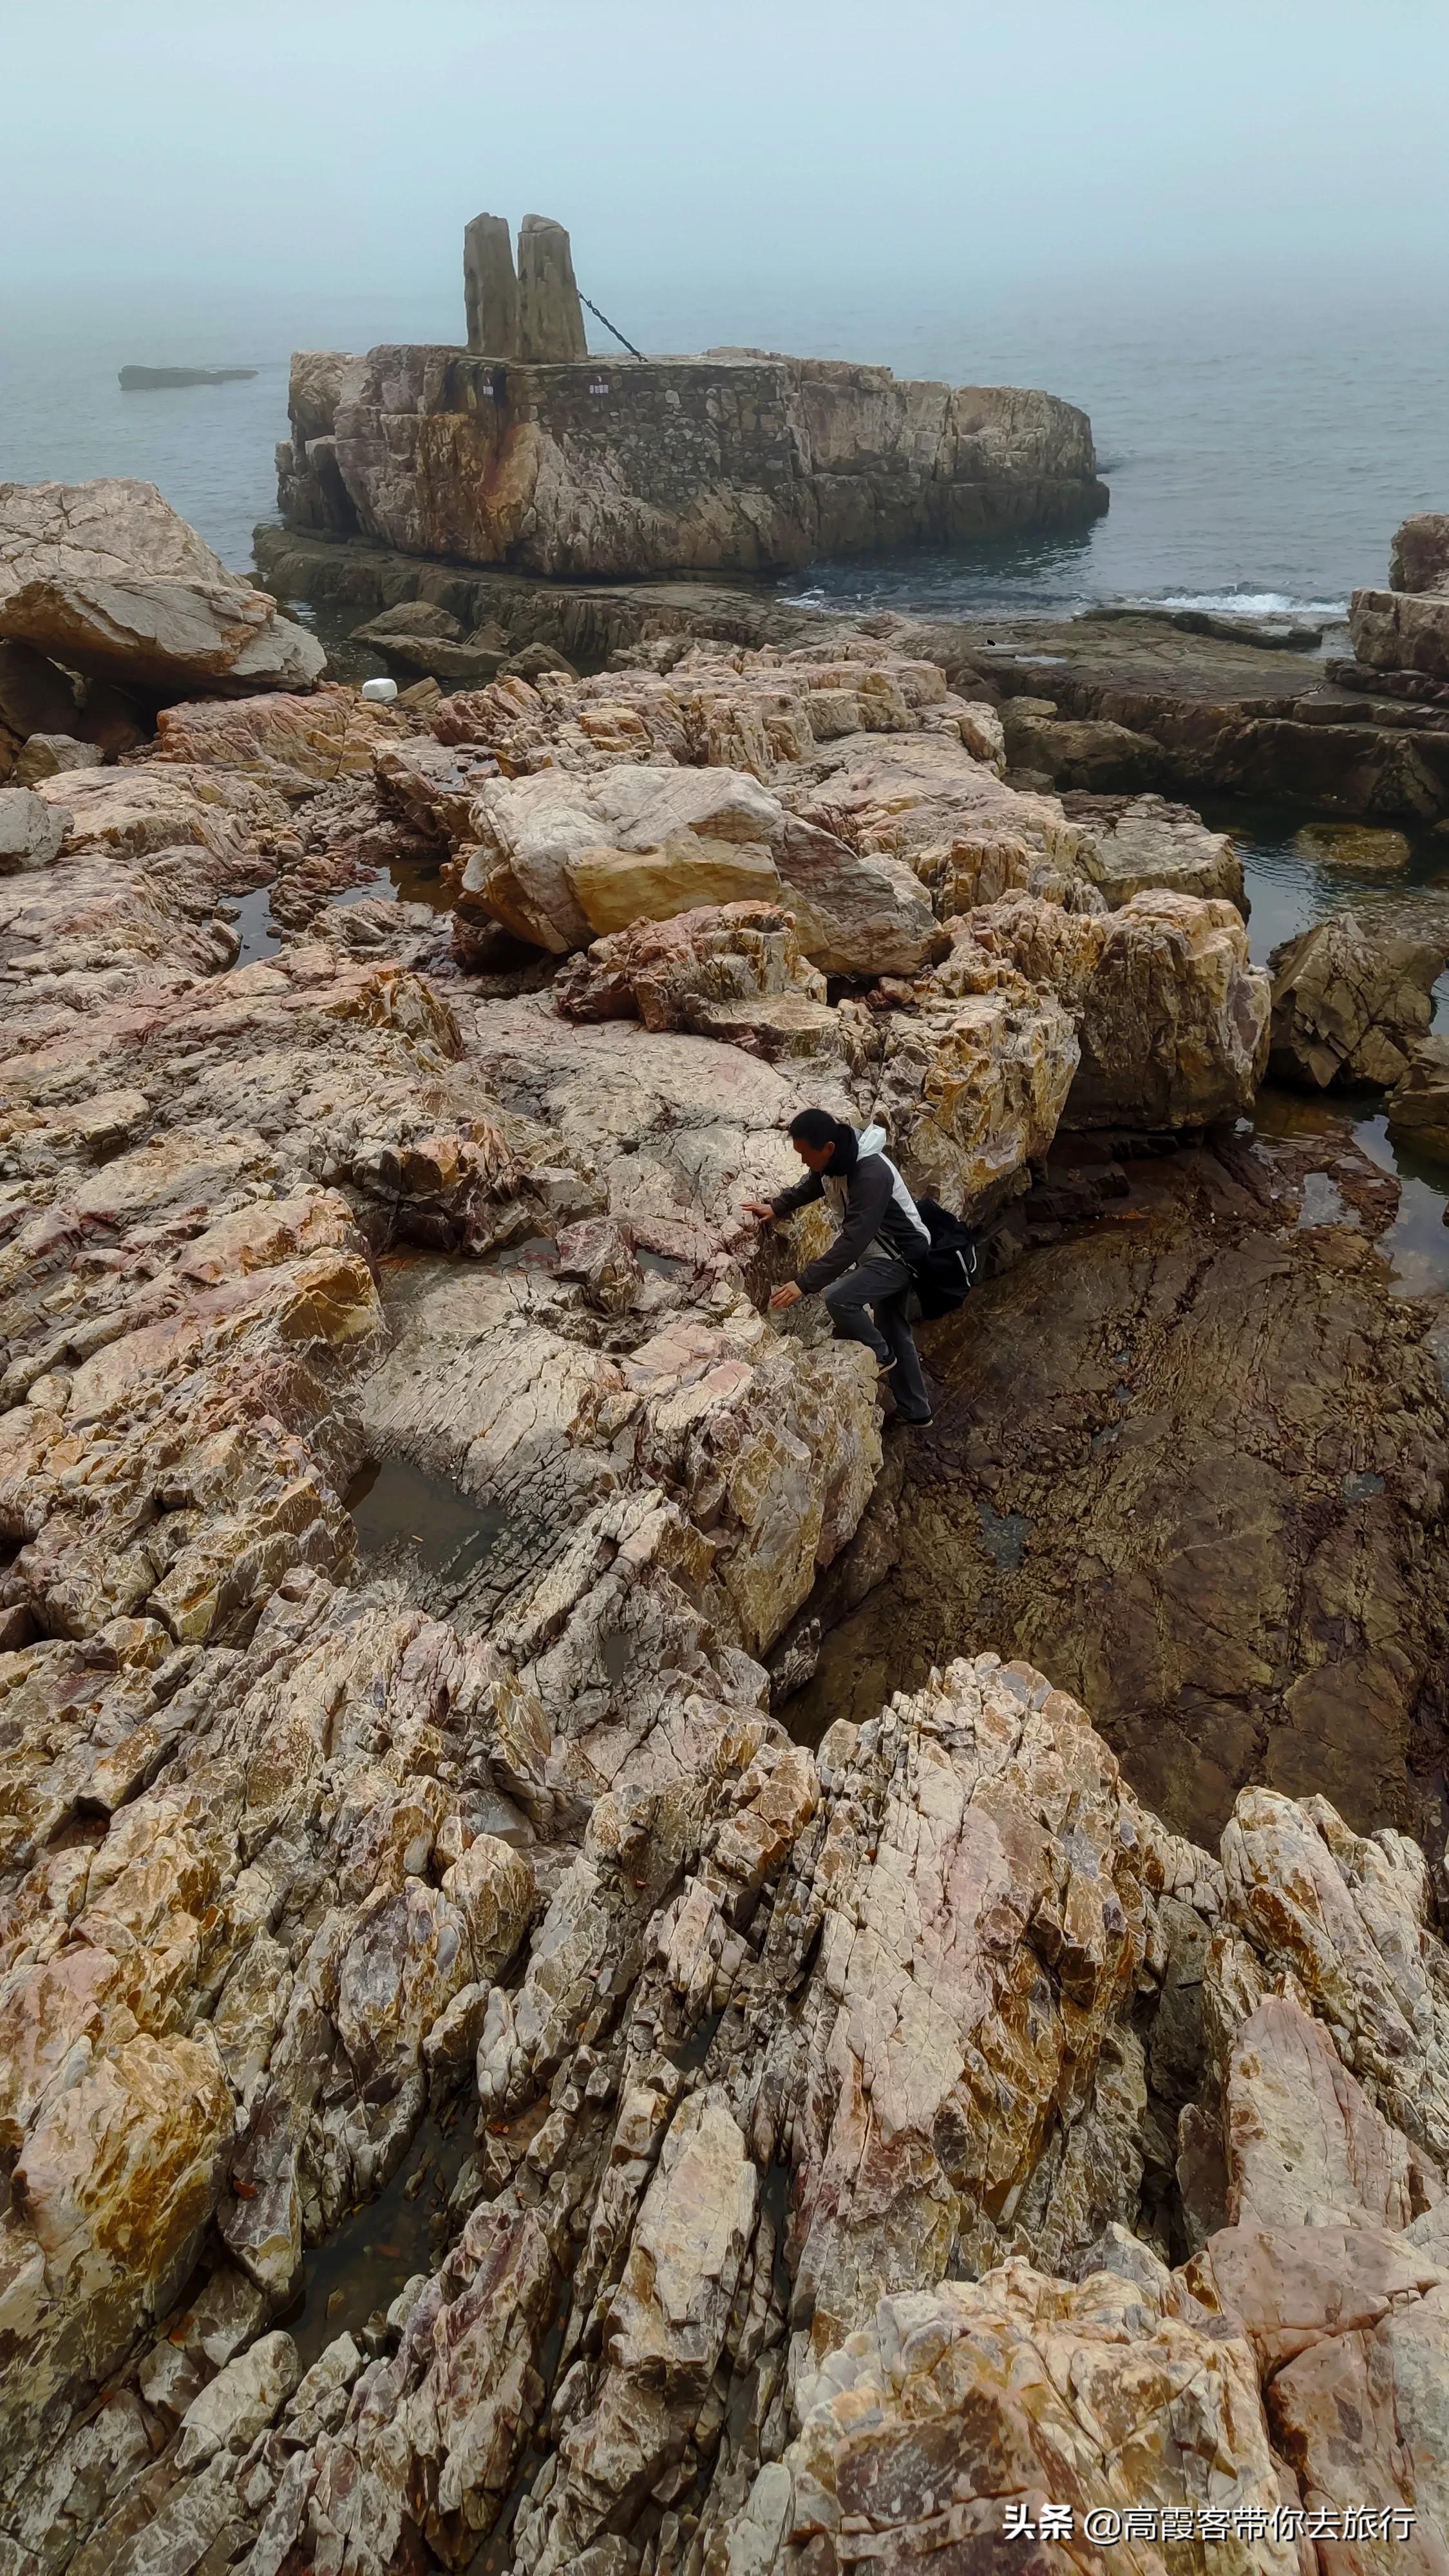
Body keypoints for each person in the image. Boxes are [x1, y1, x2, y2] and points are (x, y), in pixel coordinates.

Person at [743, 1107, 934, 1426]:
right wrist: (777, 1206)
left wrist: (804, 1284)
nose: (804, 1161)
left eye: (806, 1154)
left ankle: (880, 1355)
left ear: (828, 1148)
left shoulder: (871, 1173)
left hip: (901, 1257)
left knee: (840, 1298)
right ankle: (916, 1411)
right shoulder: (837, 1157)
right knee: (894, 1327)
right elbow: (814, 1183)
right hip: (880, 1251)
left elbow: (853, 1240)